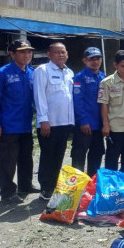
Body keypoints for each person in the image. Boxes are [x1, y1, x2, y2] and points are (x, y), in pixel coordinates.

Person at [0, 40, 37, 204]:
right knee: (7, 161)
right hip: (8, 126)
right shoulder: (2, 73)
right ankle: (8, 193)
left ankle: (25, 185)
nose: (27, 55)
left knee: (26, 157)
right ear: (12, 54)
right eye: (22, 52)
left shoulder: (32, 72)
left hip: (25, 125)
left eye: (29, 52)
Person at [33, 42, 74, 201]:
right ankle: (45, 188)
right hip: (49, 124)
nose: (61, 55)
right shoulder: (42, 71)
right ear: (49, 54)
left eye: (63, 52)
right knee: (48, 155)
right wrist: (43, 120)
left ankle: (54, 184)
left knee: (59, 155)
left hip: (64, 123)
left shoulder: (69, 72)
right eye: (57, 52)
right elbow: (39, 96)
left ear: (67, 54)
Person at [98, 50, 124, 171]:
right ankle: (112, 185)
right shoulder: (107, 82)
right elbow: (104, 104)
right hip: (115, 127)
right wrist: (105, 125)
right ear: (115, 65)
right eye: (123, 66)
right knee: (112, 158)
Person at [71, 47, 105, 176]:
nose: (95, 62)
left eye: (98, 59)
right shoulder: (80, 77)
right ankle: (77, 186)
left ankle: (92, 183)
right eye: (92, 59)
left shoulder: (103, 77)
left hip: (99, 125)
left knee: (97, 154)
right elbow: (77, 101)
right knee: (79, 155)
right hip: (85, 125)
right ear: (85, 60)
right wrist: (83, 121)